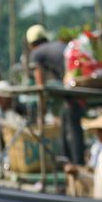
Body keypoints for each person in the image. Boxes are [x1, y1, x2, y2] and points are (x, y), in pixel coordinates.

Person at [26, 23, 84, 166]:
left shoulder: (37, 53)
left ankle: (76, 164)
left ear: (31, 44)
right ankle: (69, 162)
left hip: (72, 87)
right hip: (75, 83)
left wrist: (42, 110)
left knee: (72, 125)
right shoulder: (56, 45)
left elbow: (40, 87)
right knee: (68, 121)